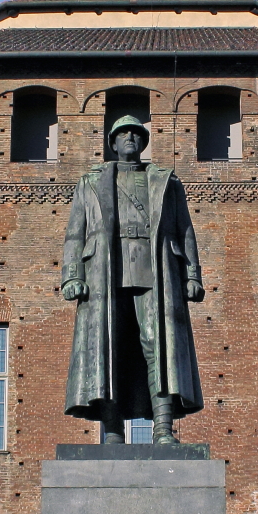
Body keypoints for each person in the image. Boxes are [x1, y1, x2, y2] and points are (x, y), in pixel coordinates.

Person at [61, 115, 205, 444]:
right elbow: (74, 234)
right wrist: (72, 276)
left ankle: (163, 428)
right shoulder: (90, 182)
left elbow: (185, 230)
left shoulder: (166, 181)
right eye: (123, 134)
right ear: (112, 143)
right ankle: (112, 430)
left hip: (155, 269)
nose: (130, 138)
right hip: (105, 273)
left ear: (143, 142)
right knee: (110, 346)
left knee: (158, 345)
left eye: (136, 134)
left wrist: (192, 274)